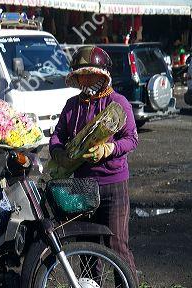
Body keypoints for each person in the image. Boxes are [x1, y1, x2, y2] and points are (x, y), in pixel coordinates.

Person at [49, 46, 139, 280]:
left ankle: (128, 285)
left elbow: (131, 139)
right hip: (82, 186)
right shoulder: (72, 106)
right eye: (82, 75)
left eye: (91, 74)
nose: (86, 79)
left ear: (103, 76)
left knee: (117, 246)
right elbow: (57, 135)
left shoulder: (118, 103)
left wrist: (109, 148)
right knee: (87, 248)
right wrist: (58, 152)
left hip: (113, 185)